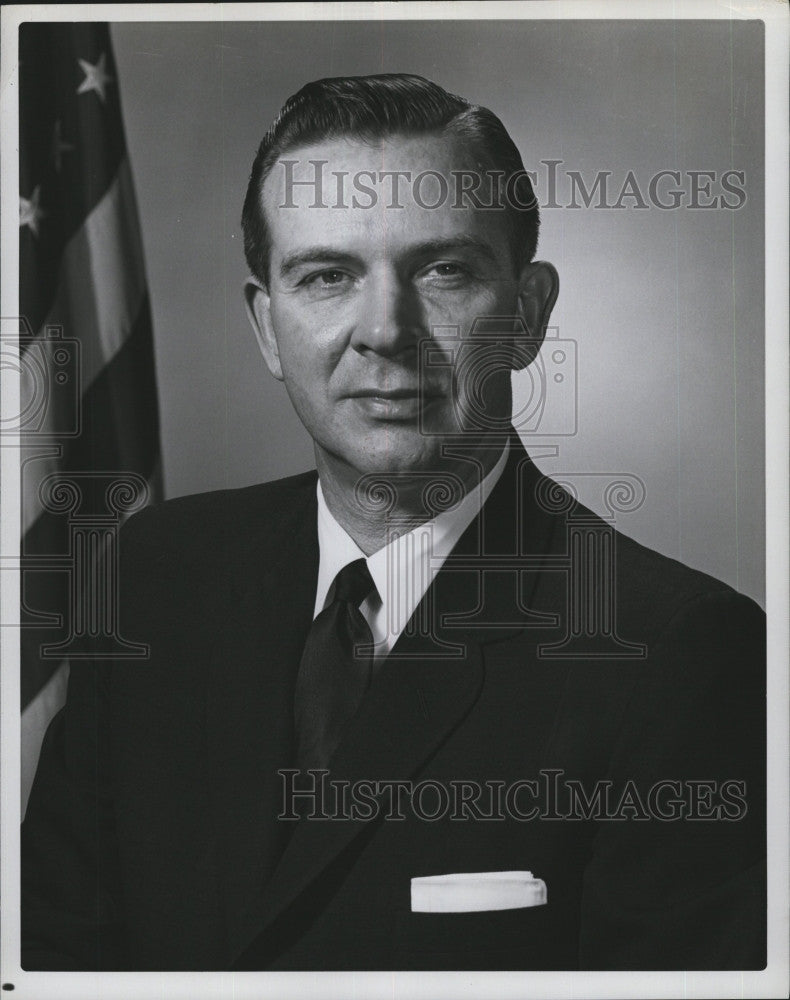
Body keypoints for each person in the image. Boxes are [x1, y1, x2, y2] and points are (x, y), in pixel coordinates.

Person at [21, 73, 766, 972]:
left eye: (443, 270)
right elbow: (53, 960)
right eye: (327, 275)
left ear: (527, 315)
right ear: (266, 327)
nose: (385, 330)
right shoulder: (151, 578)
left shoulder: (678, 654)